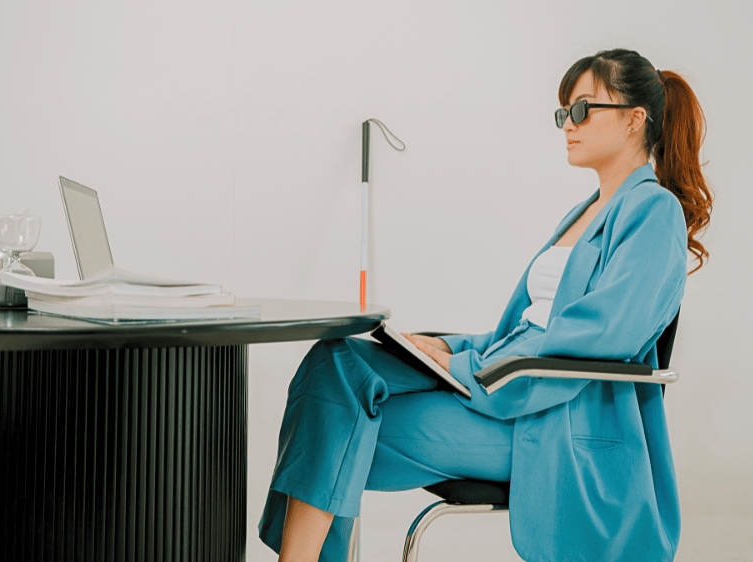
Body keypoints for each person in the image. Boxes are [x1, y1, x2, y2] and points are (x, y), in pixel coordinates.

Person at [258, 48, 713, 562]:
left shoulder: (654, 211)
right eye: (564, 112)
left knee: (331, 423)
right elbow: (524, 329)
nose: (569, 123)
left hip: (556, 421)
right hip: (508, 388)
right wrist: (446, 348)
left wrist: (468, 365)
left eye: (584, 109)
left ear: (635, 119)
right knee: (334, 362)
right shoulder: (584, 213)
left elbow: (602, 335)